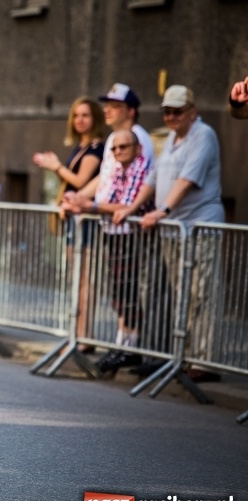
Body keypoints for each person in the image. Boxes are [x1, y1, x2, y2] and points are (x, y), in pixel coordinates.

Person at [115, 85, 224, 375]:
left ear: (192, 111)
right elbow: (152, 178)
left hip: (199, 225)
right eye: (167, 112)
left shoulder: (203, 135)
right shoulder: (172, 138)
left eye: (177, 111)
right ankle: (184, 356)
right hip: (175, 229)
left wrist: (162, 210)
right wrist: (133, 206)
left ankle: (203, 360)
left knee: (202, 293)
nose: (171, 117)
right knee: (182, 293)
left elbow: (187, 179)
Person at [62, 129, 155, 373]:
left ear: (137, 148)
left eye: (124, 147)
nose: (118, 152)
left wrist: (91, 206)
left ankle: (131, 347)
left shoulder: (141, 168)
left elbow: (126, 205)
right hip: (113, 234)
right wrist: (82, 203)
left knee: (130, 291)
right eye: (114, 148)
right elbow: (108, 199)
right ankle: (121, 344)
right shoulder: (115, 169)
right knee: (119, 292)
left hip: (132, 236)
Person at [32, 96, 106, 352]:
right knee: (77, 278)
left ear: (96, 118)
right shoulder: (81, 146)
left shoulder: (97, 147)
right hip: (74, 220)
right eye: (76, 115)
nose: (80, 120)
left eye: (85, 115)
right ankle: (77, 333)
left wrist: (56, 166)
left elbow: (80, 181)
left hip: (88, 220)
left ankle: (84, 336)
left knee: (85, 280)